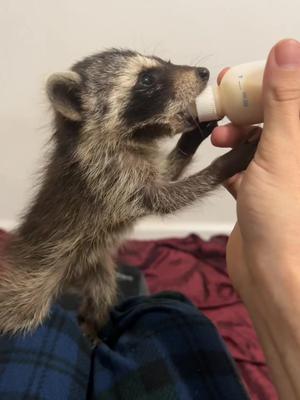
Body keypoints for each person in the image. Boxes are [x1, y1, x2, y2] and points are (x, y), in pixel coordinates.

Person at [0, 38, 299, 399]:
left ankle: (94, 339)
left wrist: (188, 145)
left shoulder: (126, 153)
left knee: (105, 304)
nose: (193, 75)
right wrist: (225, 166)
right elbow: (159, 199)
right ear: (78, 105)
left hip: (98, 248)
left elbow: (153, 188)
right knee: (24, 317)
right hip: (42, 267)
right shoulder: (97, 159)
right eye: (147, 82)